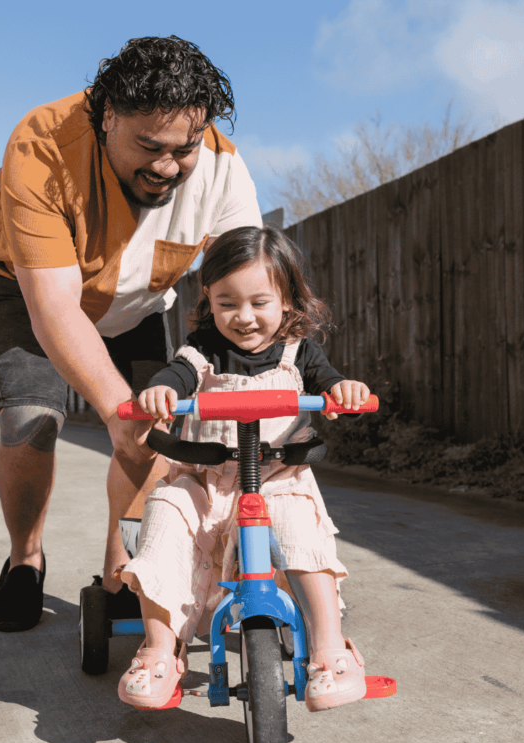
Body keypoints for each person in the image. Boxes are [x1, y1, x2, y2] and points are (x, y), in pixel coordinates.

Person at [0, 37, 263, 632]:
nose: (168, 166)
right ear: (107, 119)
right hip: (27, 289)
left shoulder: (224, 170)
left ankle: (119, 575)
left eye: (185, 149)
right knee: (31, 421)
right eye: (149, 146)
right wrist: (111, 406)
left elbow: (250, 289)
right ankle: (25, 560)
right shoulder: (42, 145)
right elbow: (54, 306)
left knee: (154, 433)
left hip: (138, 300)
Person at [116, 225, 371, 712]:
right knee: (166, 510)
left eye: (260, 302)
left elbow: (332, 382)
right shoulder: (201, 351)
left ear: (288, 302)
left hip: (277, 476)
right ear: (208, 299)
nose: (245, 317)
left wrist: (344, 391)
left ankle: (329, 647)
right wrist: (161, 391)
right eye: (227, 302)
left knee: (299, 525)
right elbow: (177, 374)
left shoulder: (303, 355)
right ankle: (158, 650)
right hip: (205, 481)